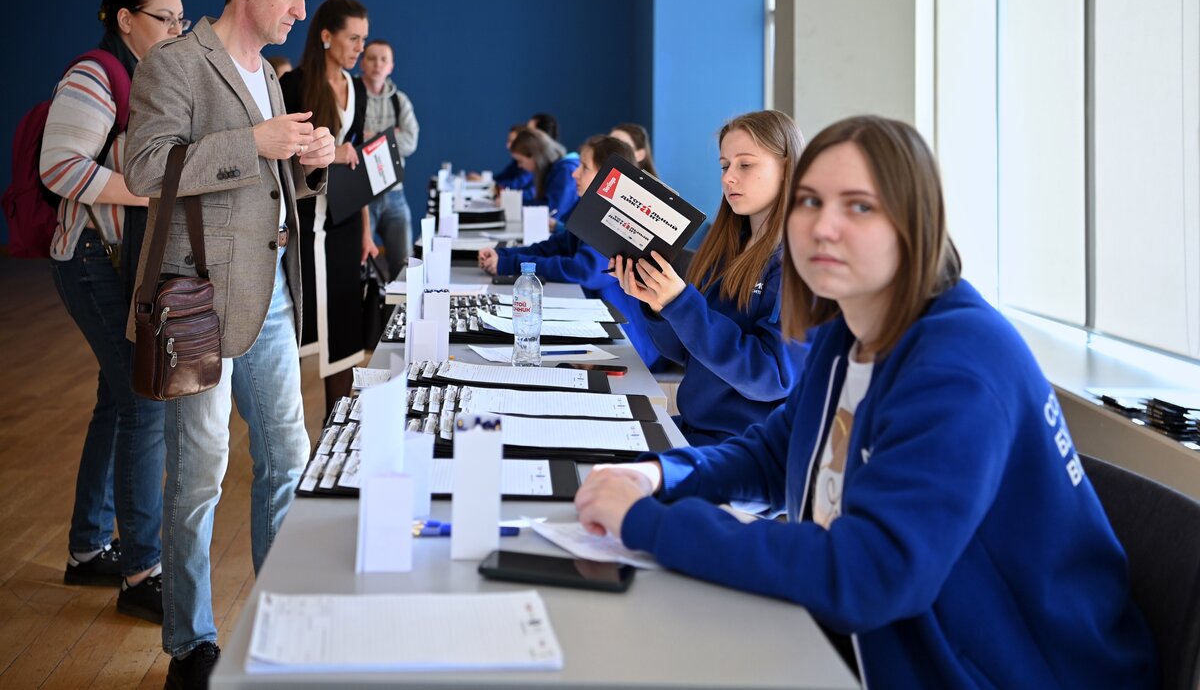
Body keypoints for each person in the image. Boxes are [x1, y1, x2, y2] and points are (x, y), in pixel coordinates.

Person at [575, 115, 1158, 689]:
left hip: (999, 670)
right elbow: (776, 454)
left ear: (913, 222)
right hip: (885, 639)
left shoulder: (960, 365)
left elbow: (868, 574)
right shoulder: (847, 328)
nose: (823, 226)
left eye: (859, 206)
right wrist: (657, 474)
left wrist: (651, 523)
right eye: (810, 202)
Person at [123, 0, 334, 688]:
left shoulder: (270, 75)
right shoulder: (174, 63)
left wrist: (307, 166)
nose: (300, 11)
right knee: (201, 474)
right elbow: (145, 169)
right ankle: (190, 645)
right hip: (198, 299)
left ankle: (278, 620)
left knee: (288, 457)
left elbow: (267, 184)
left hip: (268, 294)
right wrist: (254, 141)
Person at [41, 0, 182, 623]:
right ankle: (141, 573)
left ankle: (87, 549)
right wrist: (150, 192)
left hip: (119, 261)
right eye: (163, 18)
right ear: (125, 20)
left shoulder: (144, 81)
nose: (175, 30)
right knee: (140, 402)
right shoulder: (95, 75)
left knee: (115, 399)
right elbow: (59, 166)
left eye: (181, 19)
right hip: (92, 260)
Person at [610, 110, 809, 445]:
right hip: (694, 429)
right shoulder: (728, 248)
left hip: (741, 449)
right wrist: (659, 305)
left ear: (787, 167)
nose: (729, 178)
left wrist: (681, 304)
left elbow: (770, 377)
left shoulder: (799, 264)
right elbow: (685, 352)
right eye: (724, 166)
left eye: (745, 165)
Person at [477, 135, 664, 370]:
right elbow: (554, 246)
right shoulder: (594, 210)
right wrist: (504, 256)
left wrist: (511, 264)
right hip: (599, 332)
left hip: (629, 347)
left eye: (584, 167)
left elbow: (584, 270)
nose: (574, 174)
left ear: (608, 176)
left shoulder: (619, 222)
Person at [279, 0, 377, 417]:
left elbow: (358, 166)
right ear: (326, 36)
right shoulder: (294, 85)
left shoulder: (358, 88)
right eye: (353, 38)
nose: (360, 48)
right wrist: (333, 153)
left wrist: (367, 232)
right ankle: (291, 434)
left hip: (346, 224)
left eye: (363, 39)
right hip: (303, 224)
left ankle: (336, 428)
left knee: (343, 337)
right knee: (297, 336)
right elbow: (282, 154)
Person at [360, 38, 418, 280]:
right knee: (359, 266)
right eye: (372, 58)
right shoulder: (351, 96)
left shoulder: (399, 101)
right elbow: (350, 142)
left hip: (395, 193)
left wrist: (371, 137)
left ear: (391, 66)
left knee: (404, 267)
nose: (377, 64)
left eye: (383, 59)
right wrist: (390, 135)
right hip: (362, 196)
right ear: (362, 62)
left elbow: (410, 142)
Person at [509, 126, 580, 224]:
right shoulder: (553, 171)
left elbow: (553, 213)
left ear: (535, 156)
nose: (519, 166)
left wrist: (515, 206)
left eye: (520, 161)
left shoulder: (566, 171)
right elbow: (541, 203)